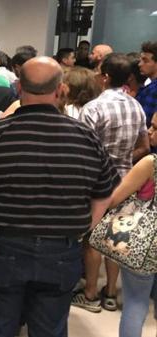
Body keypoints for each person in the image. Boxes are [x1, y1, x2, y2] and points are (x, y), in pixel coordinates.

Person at [0, 56, 120, 337]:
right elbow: (104, 194)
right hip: (61, 250)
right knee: (50, 327)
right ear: (60, 89)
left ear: (18, 87)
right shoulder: (85, 137)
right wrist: (84, 226)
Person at [73, 53, 149, 313]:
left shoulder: (92, 108)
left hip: (96, 183)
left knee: (93, 239)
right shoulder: (136, 106)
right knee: (116, 237)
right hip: (126, 181)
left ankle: (91, 292)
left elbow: (81, 151)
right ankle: (110, 293)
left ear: (104, 76)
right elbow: (144, 146)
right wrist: (122, 158)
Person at [109, 112, 157, 337]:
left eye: (155, 128)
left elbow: (116, 197)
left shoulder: (150, 163)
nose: (149, 131)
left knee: (136, 304)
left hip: (145, 242)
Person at [137, 41, 157, 128]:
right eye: (141, 60)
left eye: (145, 61)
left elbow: (143, 121)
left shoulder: (154, 90)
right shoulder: (149, 86)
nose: (140, 64)